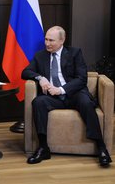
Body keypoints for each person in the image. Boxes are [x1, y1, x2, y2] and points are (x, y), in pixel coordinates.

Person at [21, 26, 112, 167]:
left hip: (73, 94)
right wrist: (40, 78)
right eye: (46, 39)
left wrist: (61, 89)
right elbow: (25, 72)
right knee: (38, 102)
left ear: (62, 40)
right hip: (52, 98)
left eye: (51, 40)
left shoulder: (75, 53)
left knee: (86, 102)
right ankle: (43, 147)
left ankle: (101, 147)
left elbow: (82, 79)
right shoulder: (41, 56)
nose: (47, 43)